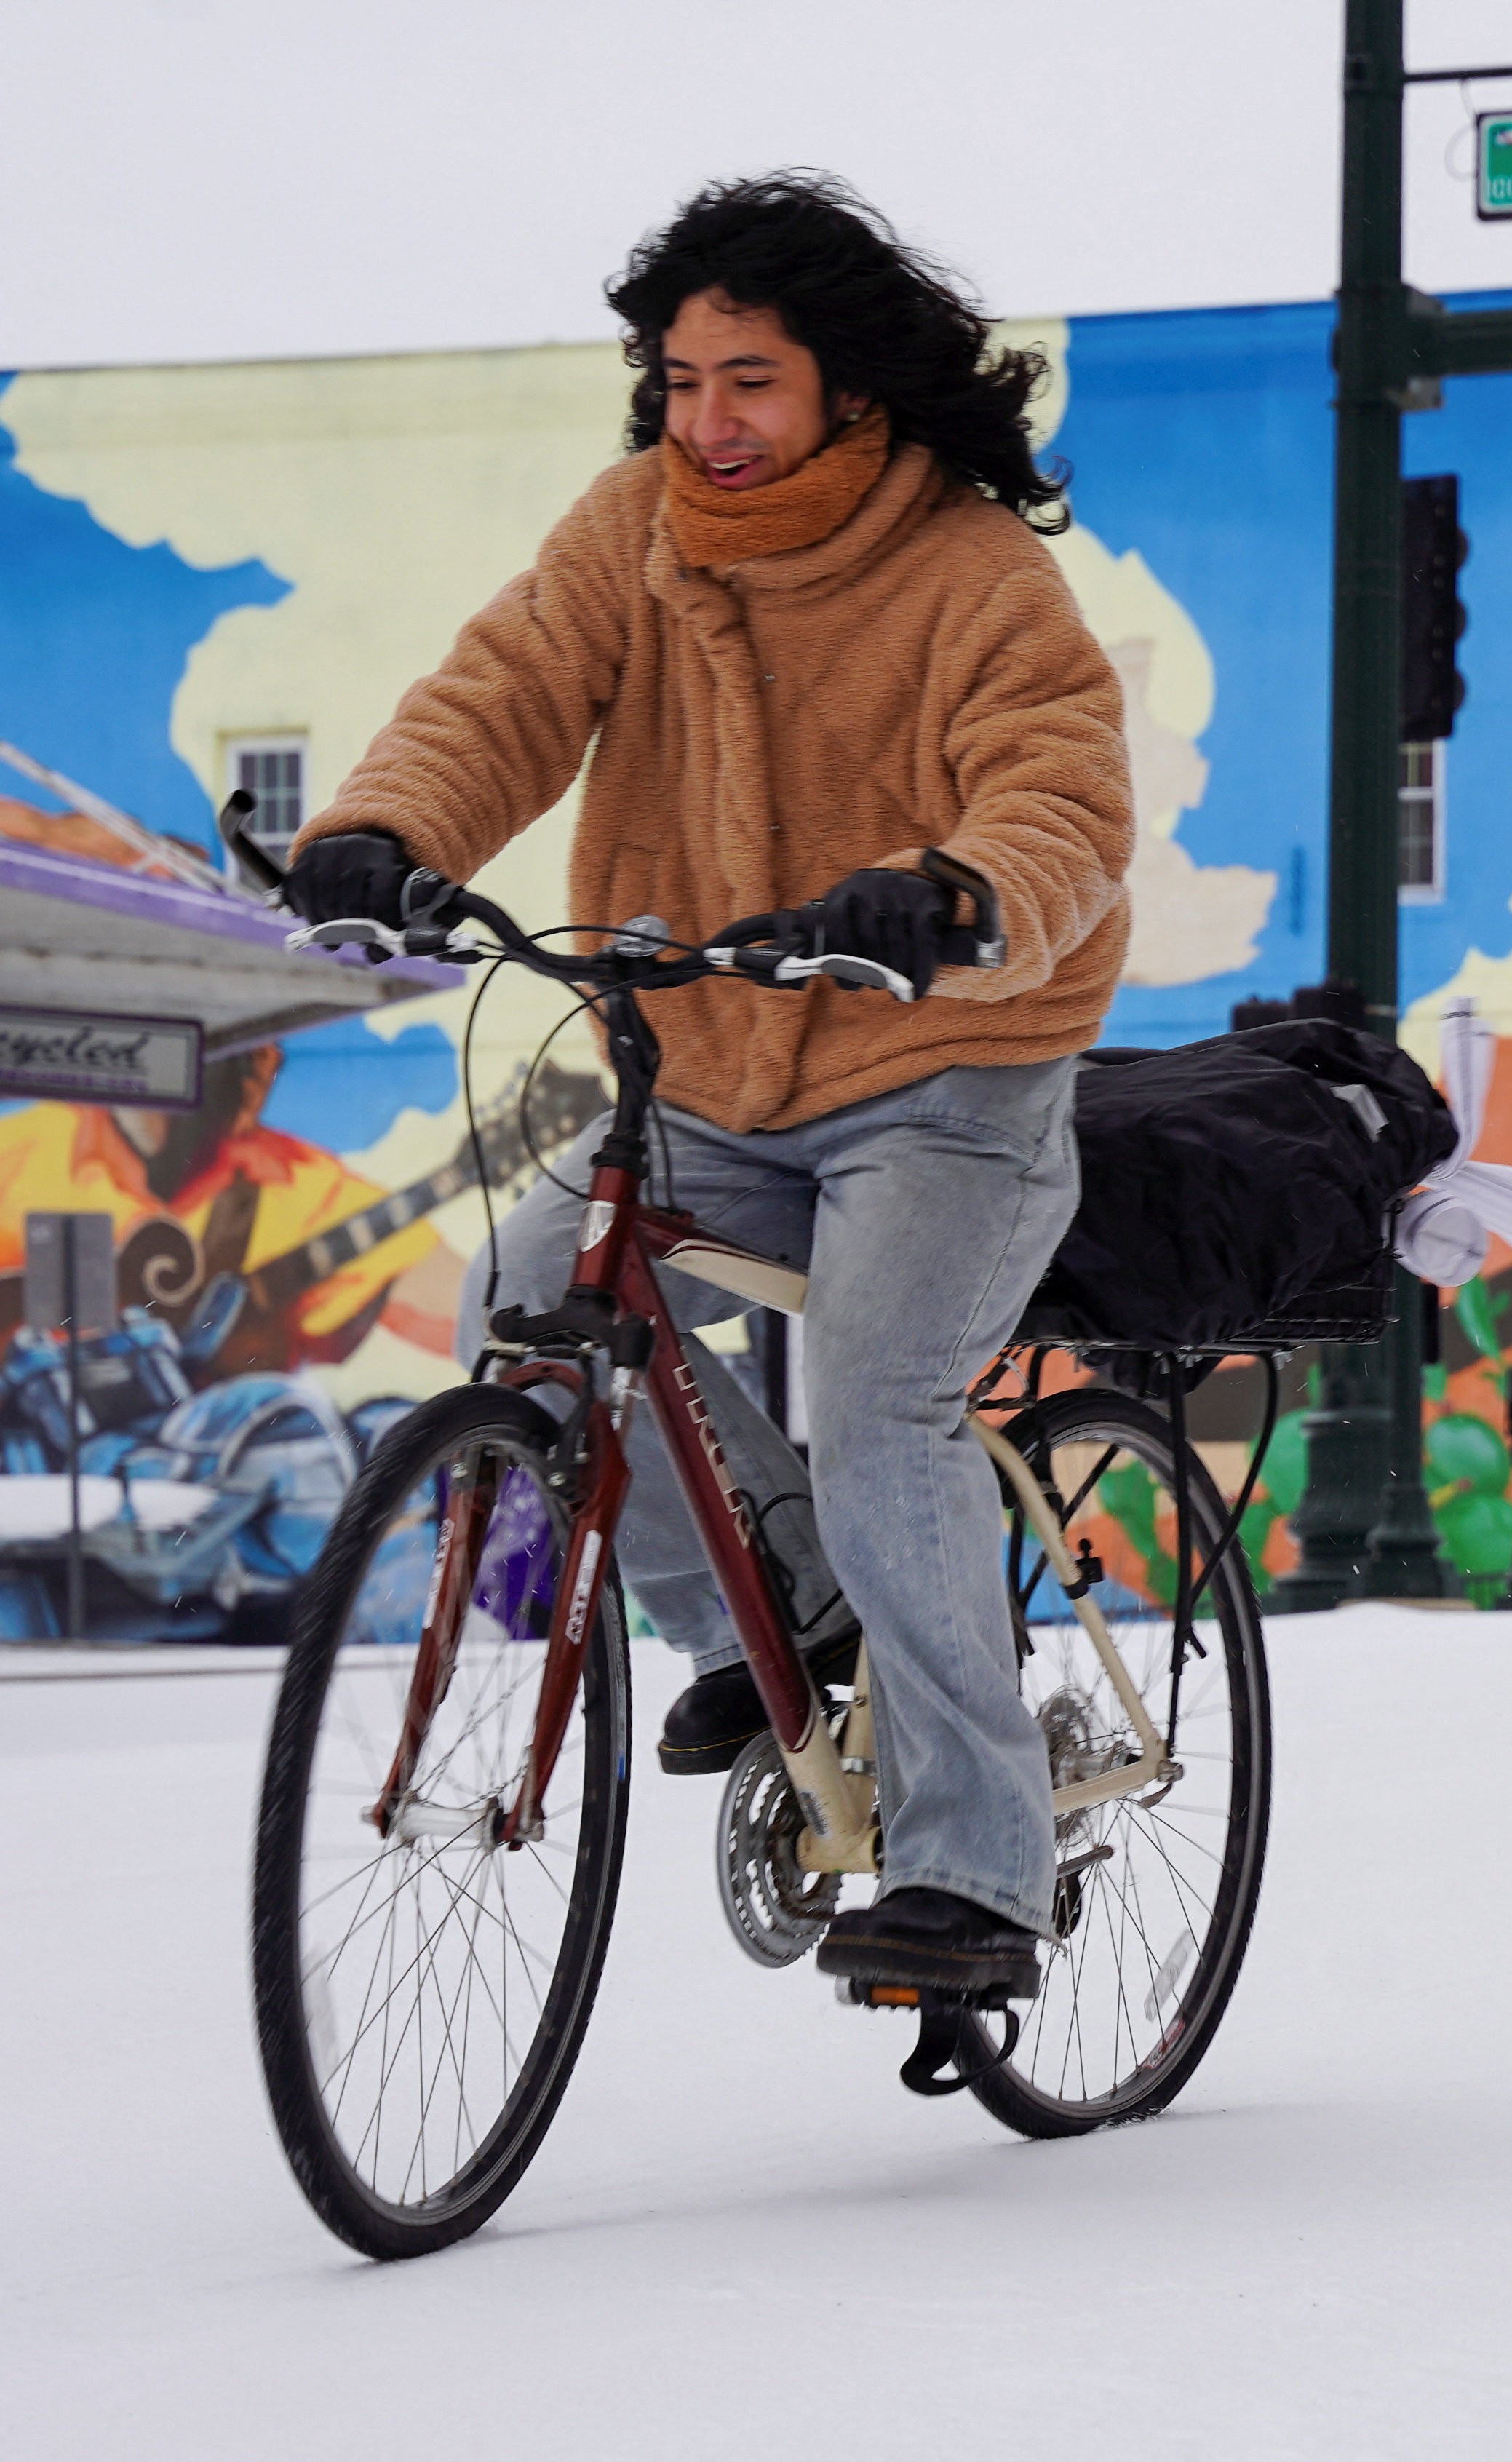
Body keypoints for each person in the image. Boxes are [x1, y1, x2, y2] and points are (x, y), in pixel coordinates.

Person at [279, 173, 1134, 2001]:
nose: (708, 421)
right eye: (680, 380)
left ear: (850, 387)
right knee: (530, 1292)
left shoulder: (972, 567)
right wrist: (384, 828)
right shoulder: (635, 532)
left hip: (945, 1070)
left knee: (881, 1405)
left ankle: (976, 1867)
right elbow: (504, 690)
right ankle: (776, 1615)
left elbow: (1059, 787)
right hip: (718, 1065)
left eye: (750, 380)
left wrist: (957, 893)